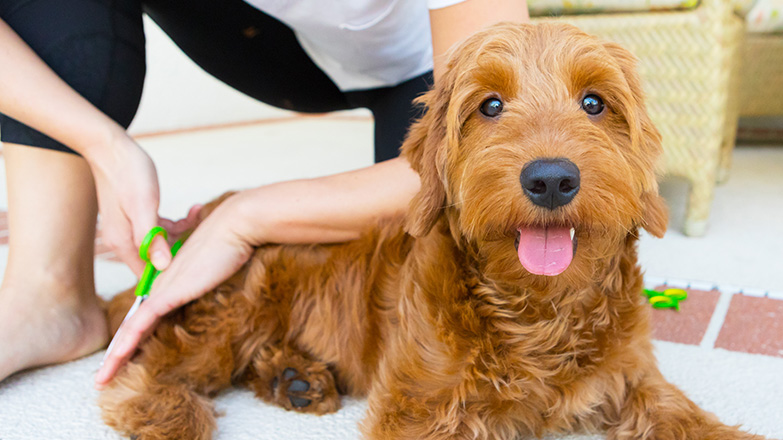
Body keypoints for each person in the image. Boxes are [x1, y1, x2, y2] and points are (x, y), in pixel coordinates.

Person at [0, 0, 529, 386]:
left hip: (414, 66)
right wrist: (103, 144)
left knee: (416, 277)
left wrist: (243, 216)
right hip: (256, 32)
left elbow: (493, 148)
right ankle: (47, 289)